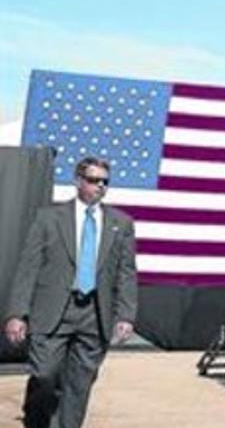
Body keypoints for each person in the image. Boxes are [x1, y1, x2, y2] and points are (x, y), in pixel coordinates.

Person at [4, 156, 139, 427]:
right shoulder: (49, 218)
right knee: (44, 375)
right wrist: (17, 313)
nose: (99, 186)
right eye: (93, 180)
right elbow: (28, 267)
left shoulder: (120, 224)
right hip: (53, 311)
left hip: (94, 314)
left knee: (79, 385)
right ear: (78, 181)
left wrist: (126, 315)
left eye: (104, 181)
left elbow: (126, 272)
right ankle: (37, 418)